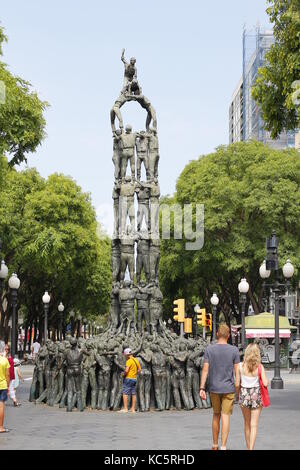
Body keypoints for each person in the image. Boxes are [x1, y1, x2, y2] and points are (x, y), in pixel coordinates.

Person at [199, 323, 240, 451]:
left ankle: (215, 444)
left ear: (217, 334)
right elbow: (237, 373)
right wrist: (237, 390)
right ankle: (223, 446)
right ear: (228, 335)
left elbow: (205, 370)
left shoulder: (209, 350)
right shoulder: (234, 350)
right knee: (226, 416)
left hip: (214, 387)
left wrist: (202, 388)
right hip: (228, 388)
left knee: (216, 415)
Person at [236, 343, 269, 450]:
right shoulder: (259, 366)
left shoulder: (240, 366)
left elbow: (237, 384)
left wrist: (237, 395)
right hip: (256, 395)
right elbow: (265, 383)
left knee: (246, 423)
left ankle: (247, 446)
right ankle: (251, 448)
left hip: (244, 394)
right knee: (254, 424)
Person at [118, 348, 141, 413]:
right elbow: (139, 370)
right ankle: (133, 409)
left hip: (128, 378)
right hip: (134, 378)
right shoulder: (136, 360)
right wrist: (134, 373)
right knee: (133, 393)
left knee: (125, 393)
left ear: (127, 355)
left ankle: (125, 409)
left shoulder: (129, 361)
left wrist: (123, 374)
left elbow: (126, 370)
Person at [0, 341, 10, 432]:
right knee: (1, 406)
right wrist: (8, 386)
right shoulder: (4, 360)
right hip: (2, 385)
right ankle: (1, 427)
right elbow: (7, 375)